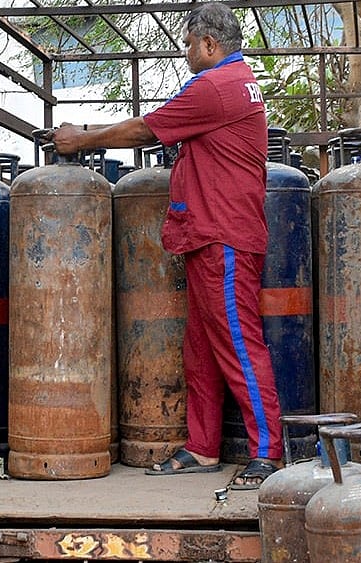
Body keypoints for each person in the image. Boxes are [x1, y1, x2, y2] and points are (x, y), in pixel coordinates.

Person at [49, 2, 283, 489]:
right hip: (211, 234)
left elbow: (145, 129)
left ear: (210, 44)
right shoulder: (238, 82)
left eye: (189, 44)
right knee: (200, 348)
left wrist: (81, 139)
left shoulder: (215, 87)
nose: (186, 52)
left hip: (225, 236)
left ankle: (267, 452)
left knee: (238, 344)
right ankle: (202, 447)